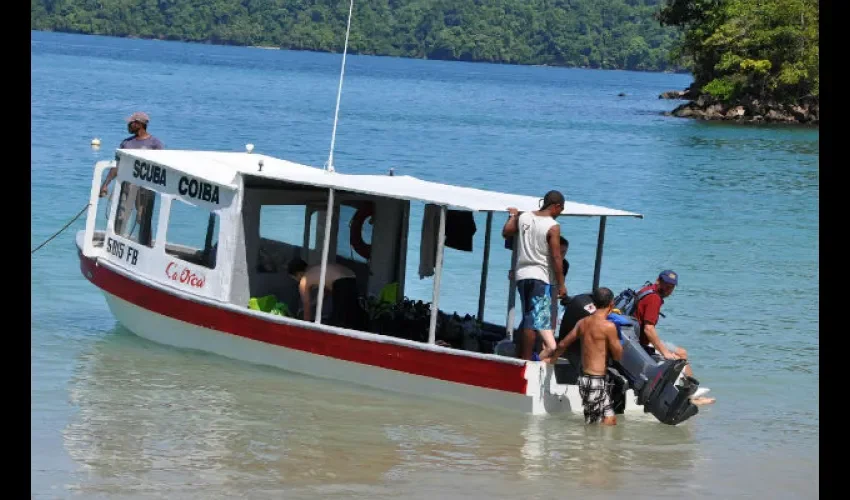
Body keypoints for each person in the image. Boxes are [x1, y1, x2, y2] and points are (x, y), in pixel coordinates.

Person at [502, 190, 567, 363]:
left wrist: (513, 215)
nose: (560, 214)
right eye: (561, 210)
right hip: (540, 276)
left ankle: (522, 354)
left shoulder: (524, 217)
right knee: (533, 319)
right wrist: (561, 284)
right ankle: (527, 360)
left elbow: (506, 231)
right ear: (556, 206)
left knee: (527, 315)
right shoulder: (552, 226)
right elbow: (556, 256)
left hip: (522, 274)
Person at [634, 270, 714, 405]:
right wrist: (665, 352)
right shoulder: (654, 298)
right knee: (679, 358)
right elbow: (648, 329)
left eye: (671, 287)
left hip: (638, 337)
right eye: (665, 284)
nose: (668, 289)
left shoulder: (646, 290)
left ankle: (689, 392)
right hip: (641, 342)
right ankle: (689, 397)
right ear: (658, 280)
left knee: (682, 352)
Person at [552, 287, 623, 425]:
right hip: (594, 381)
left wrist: (553, 358)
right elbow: (618, 355)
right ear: (611, 304)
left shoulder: (582, 323)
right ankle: (590, 445)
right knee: (594, 424)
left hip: (587, 379)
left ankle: (601, 446)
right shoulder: (609, 327)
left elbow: (562, 344)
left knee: (610, 420)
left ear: (594, 303)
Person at [100, 111, 165, 197]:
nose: (128, 125)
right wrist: (105, 185)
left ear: (138, 124)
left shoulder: (155, 143)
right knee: (122, 210)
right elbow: (117, 166)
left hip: (146, 188)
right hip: (127, 185)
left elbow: (161, 168)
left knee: (143, 211)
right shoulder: (126, 143)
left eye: (130, 123)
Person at [287, 258, 363, 329]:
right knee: (353, 315)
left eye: (294, 278)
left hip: (341, 283)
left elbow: (307, 307)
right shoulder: (316, 269)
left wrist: (305, 327)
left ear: (298, 274)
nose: (297, 281)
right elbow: (325, 290)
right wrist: (314, 303)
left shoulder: (304, 280)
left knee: (338, 322)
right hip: (352, 278)